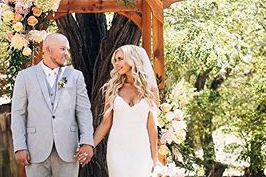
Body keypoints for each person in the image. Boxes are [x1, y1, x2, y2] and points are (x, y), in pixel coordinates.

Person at [11, 33, 95, 177]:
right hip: (35, 150)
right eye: (63, 49)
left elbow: (84, 111)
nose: (66, 53)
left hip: (68, 149)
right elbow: (18, 113)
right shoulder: (25, 76)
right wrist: (19, 146)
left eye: (67, 50)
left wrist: (87, 141)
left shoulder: (75, 76)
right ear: (48, 50)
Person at [84, 45, 160, 177]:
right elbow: (106, 123)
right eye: (116, 60)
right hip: (117, 148)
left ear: (132, 60)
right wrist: (91, 145)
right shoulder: (113, 88)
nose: (117, 64)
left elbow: (151, 126)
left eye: (120, 59)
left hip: (140, 147)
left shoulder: (151, 90)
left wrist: (155, 158)